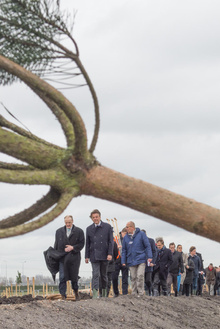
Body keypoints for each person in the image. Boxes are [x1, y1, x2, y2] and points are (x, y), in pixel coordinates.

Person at [54, 215, 85, 300]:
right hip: (62, 258)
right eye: (66, 222)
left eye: (69, 222)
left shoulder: (79, 231)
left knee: (74, 277)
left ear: (72, 221)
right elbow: (56, 244)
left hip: (74, 258)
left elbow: (82, 244)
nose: (68, 224)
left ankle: (76, 292)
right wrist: (55, 256)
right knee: (62, 277)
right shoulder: (59, 232)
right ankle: (63, 295)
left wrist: (73, 247)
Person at [85, 209, 113, 299]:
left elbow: (110, 242)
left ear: (100, 217)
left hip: (104, 255)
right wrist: (86, 256)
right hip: (94, 255)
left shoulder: (108, 227)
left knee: (104, 275)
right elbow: (87, 243)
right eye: (93, 217)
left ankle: (104, 293)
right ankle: (95, 294)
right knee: (95, 274)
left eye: (96, 217)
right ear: (91, 219)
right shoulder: (89, 229)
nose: (95, 219)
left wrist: (110, 254)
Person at [121, 221, 152, 297]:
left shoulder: (141, 234)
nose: (126, 229)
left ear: (132, 227)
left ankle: (141, 293)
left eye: (127, 227)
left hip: (141, 259)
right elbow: (124, 250)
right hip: (131, 260)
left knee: (140, 275)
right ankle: (134, 293)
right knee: (133, 277)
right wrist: (123, 260)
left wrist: (149, 256)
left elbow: (147, 246)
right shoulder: (126, 238)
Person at [112, 227, 129, 297]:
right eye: (124, 233)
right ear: (121, 233)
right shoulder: (116, 239)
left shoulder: (129, 240)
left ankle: (125, 293)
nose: (124, 235)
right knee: (114, 277)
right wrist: (117, 247)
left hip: (125, 260)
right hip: (117, 260)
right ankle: (116, 292)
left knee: (125, 278)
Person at [141, 229, 157, 296]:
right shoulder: (138, 242)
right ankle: (145, 293)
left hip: (149, 264)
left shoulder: (151, 241)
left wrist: (152, 261)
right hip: (141, 263)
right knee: (141, 280)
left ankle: (151, 290)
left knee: (148, 280)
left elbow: (154, 252)